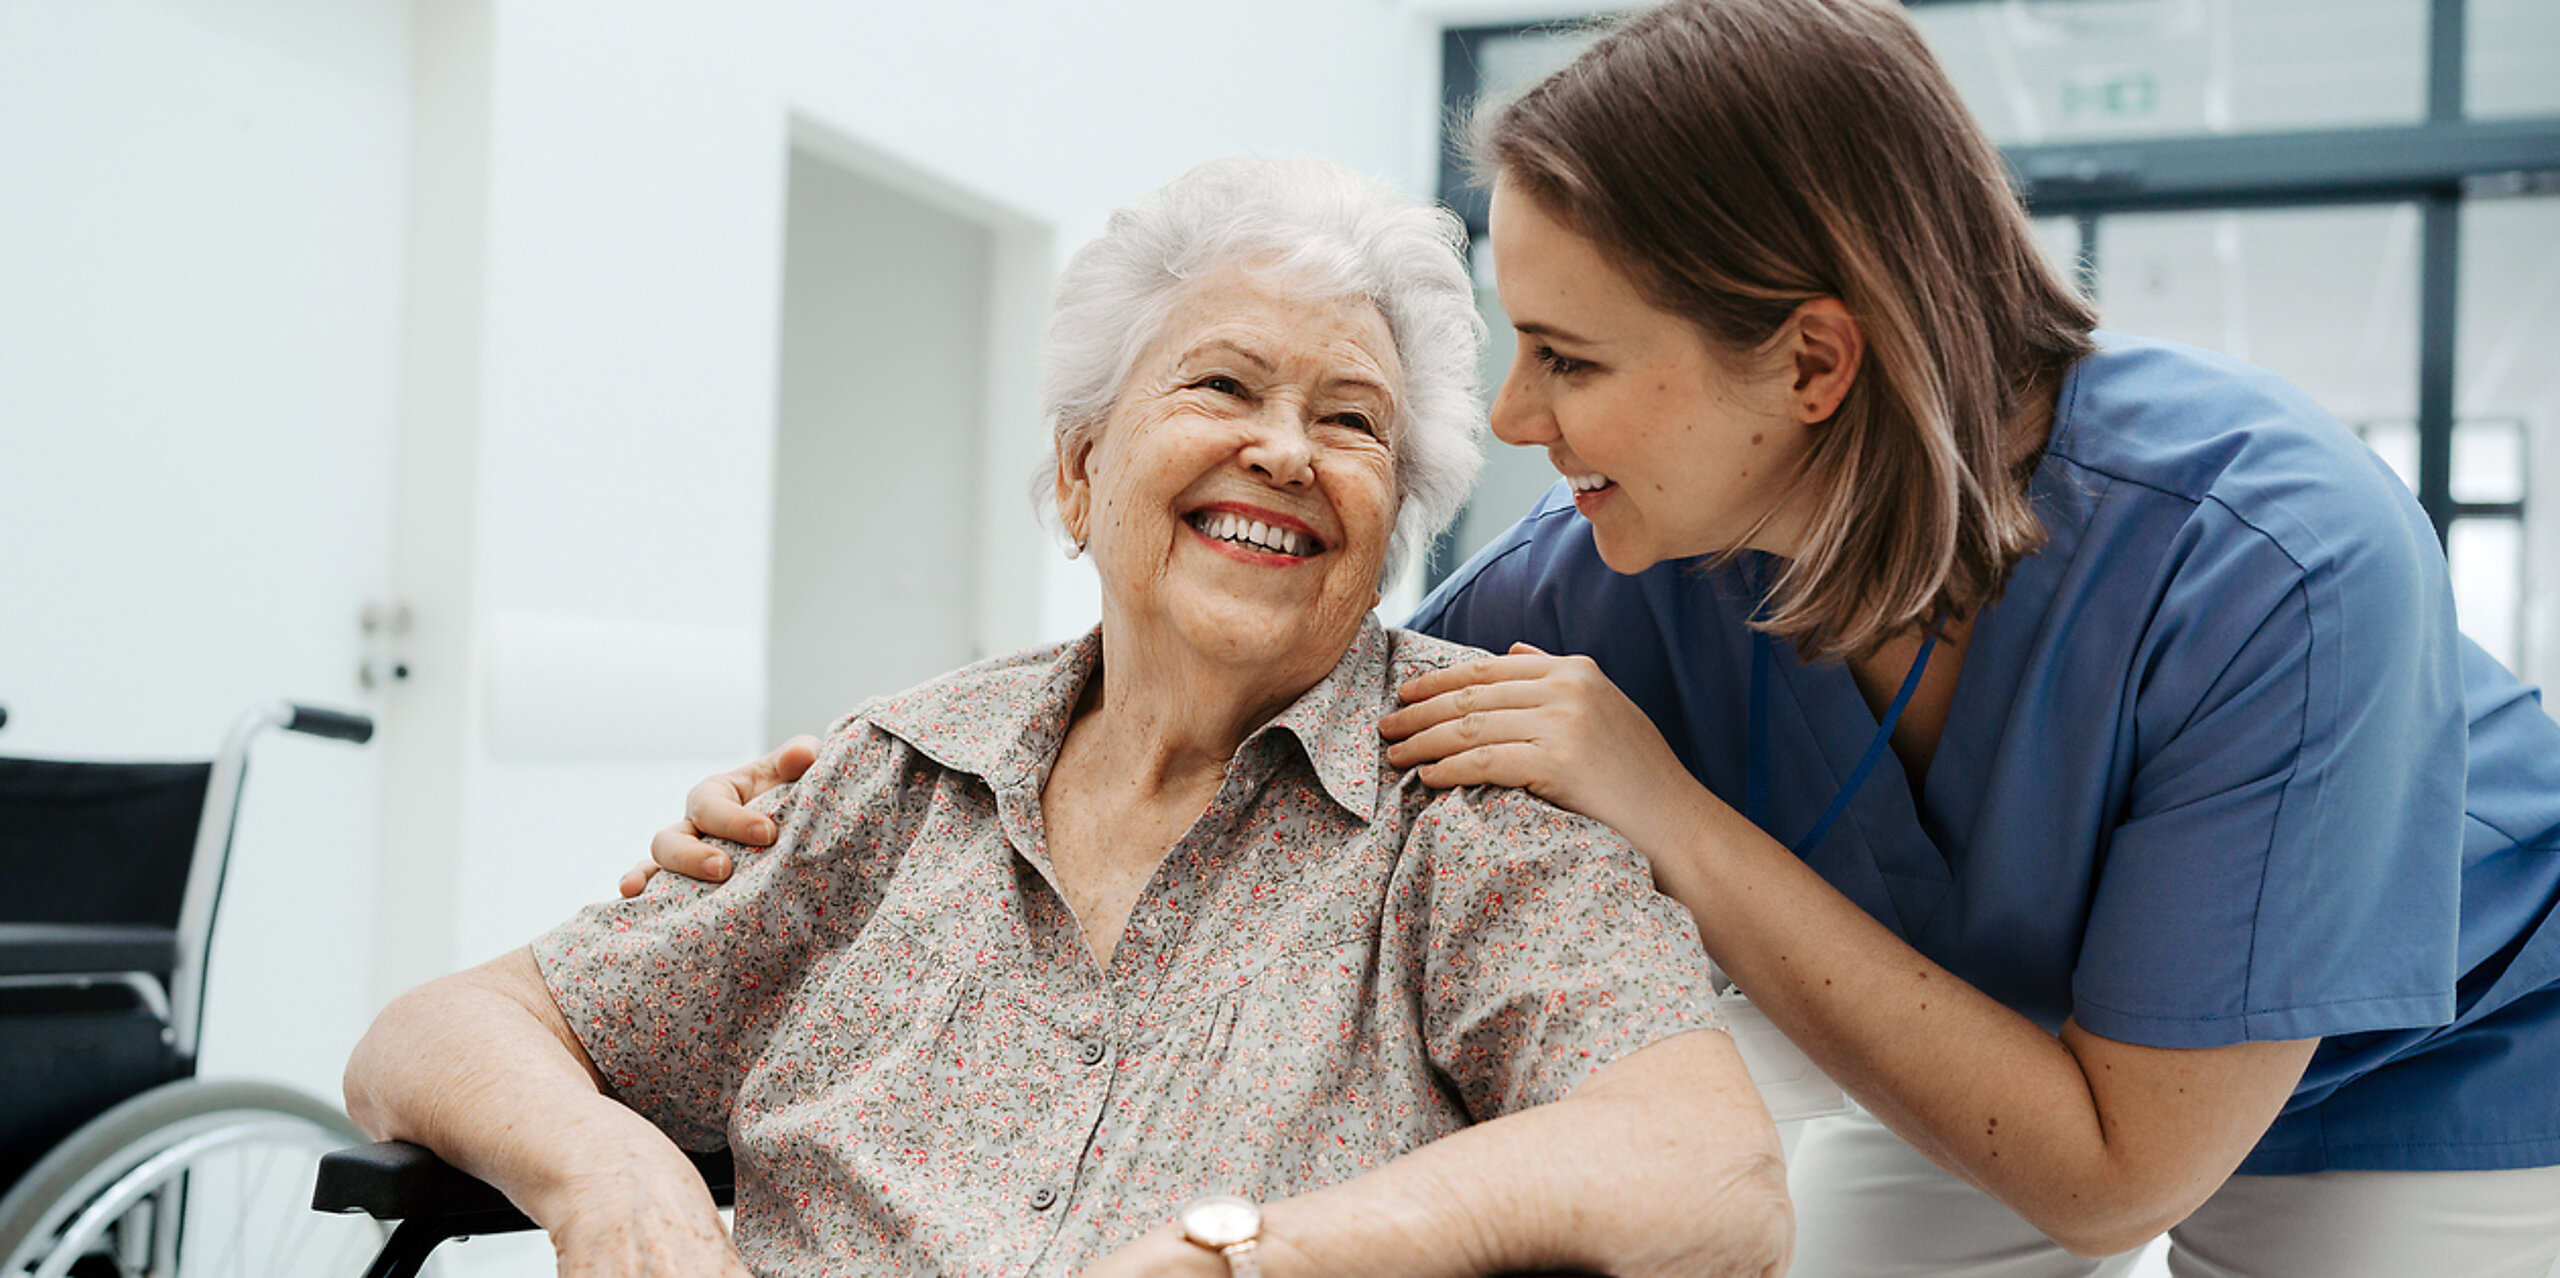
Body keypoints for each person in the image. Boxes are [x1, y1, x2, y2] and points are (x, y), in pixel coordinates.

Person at [645, 3, 2560, 1275]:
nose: (1513, 424)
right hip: (1984, 1069)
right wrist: (882, 790)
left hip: (2423, 1084)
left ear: (1810, 359)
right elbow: (1280, 677)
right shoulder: (1612, 570)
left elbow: (2118, 1176)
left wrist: (1669, 812)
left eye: (1568, 359)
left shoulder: (2276, 563)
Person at [346, 154, 1792, 1278]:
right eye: (1222, 384)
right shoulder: (898, 777)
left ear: (1393, 521)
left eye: (1351, 421)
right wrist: (609, 1168)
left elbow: (1712, 1169)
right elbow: (434, 1032)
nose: (1283, 450)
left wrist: (1253, 1252)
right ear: (1082, 472)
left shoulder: (1465, 806)